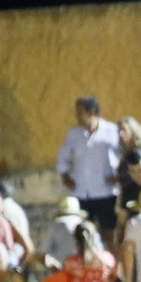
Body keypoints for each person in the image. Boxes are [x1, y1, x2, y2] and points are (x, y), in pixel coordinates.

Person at [57, 96, 122, 236]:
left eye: (80, 112)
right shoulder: (74, 134)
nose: (77, 116)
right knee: (84, 232)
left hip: (105, 192)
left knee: (108, 232)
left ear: (91, 112)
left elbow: (123, 154)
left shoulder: (112, 131)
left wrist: (119, 177)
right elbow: (63, 156)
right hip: (81, 192)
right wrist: (65, 176)